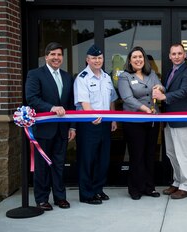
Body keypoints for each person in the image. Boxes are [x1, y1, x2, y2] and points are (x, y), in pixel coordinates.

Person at [25, 42, 76, 210]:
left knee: (59, 165)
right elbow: (32, 98)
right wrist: (51, 108)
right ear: (46, 56)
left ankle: (60, 197)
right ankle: (41, 199)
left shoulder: (67, 76)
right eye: (53, 54)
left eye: (59, 54)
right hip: (44, 130)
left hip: (62, 130)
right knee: (42, 166)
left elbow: (70, 105)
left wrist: (72, 127)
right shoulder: (35, 74)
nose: (56, 58)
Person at [117, 46, 164, 200]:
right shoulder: (124, 76)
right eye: (134, 57)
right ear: (130, 61)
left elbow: (162, 87)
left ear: (144, 59)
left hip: (152, 120)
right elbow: (127, 98)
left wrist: (160, 88)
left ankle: (149, 188)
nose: (138, 60)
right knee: (136, 155)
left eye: (140, 57)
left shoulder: (151, 74)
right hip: (134, 120)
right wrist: (145, 108)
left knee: (150, 155)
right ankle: (135, 189)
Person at [74, 44, 118, 205]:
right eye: (94, 58)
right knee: (88, 159)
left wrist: (113, 118)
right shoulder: (82, 78)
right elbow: (84, 103)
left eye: (99, 58)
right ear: (87, 60)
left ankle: (98, 189)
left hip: (105, 124)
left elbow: (112, 99)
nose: (97, 60)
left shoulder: (106, 77)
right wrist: (92, 115)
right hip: (88, 124)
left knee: (102, 159)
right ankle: (86, 194)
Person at [152, 43, 187, 199]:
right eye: (174, 54)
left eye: (179, 53)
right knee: (172, 153)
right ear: (169, 56)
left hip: (183, 119)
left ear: (184, 55)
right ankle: (177, 182)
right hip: (169, 119)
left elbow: (185, 91)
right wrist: (162, 88)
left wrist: (164, 96)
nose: (176, 56)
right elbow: (171, 90)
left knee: (184, 153)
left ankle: (186, 186)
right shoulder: (171, 71)